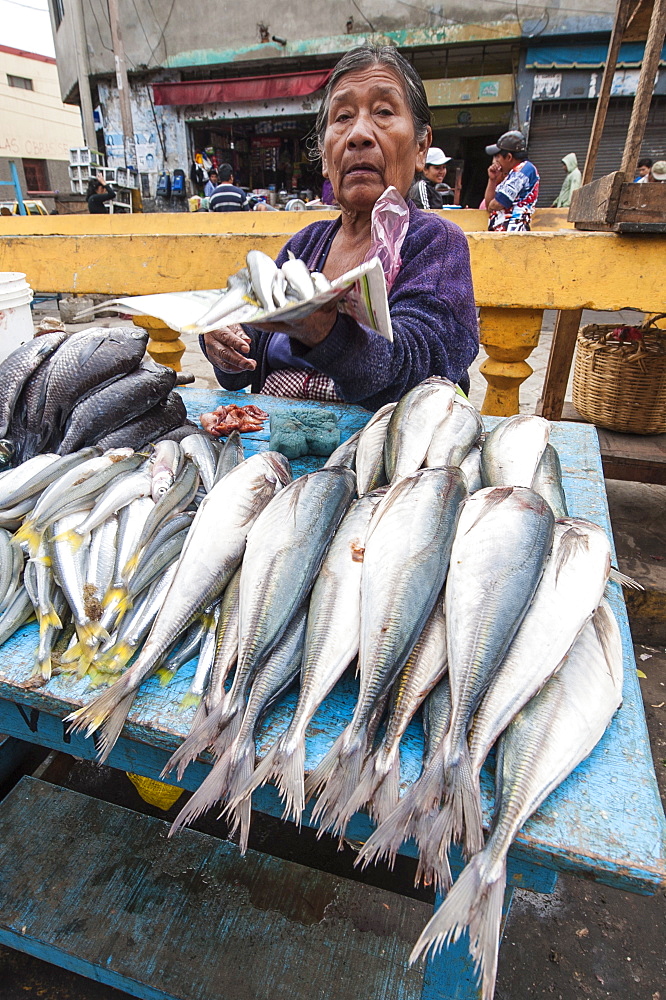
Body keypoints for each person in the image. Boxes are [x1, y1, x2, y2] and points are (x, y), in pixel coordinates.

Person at [200, 44, 479, 408]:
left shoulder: (435, 243)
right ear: (324, 156)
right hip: (275, 443)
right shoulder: (304, 245)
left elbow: (418, 370)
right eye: (343, 117)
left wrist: (328, 333)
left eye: (383, 111)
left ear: (421, 147)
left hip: (382, 453)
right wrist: (223, 343)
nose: (358, 134)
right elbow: (246, 361)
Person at [484, 131, 539, 232]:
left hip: (513, 231)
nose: (496, 161)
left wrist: (494, 204)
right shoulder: (511, 173)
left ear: (509, 157)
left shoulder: (524, 170)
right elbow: (489, 206)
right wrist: (492, 179)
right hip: (501, 231)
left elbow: (496, 204)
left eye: (498, 157)